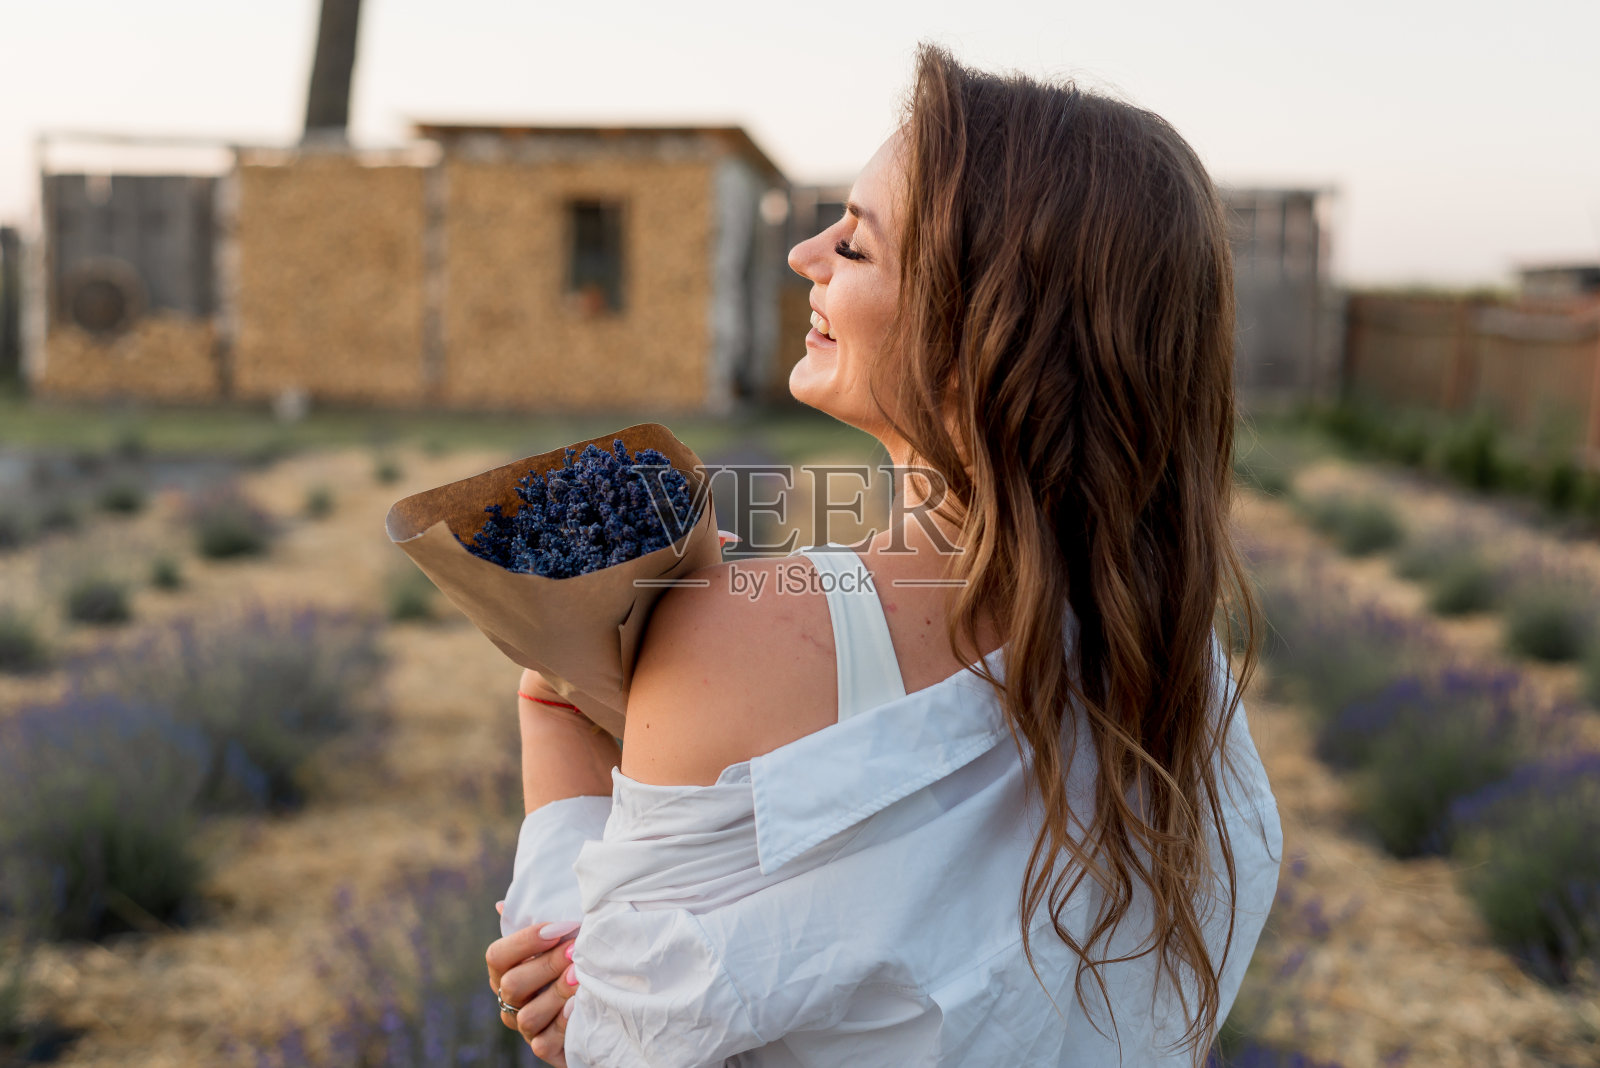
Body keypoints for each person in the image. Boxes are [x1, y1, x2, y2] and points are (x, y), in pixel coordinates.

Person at [485, 41, 1282, 1068]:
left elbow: (612, 1032)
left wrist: (552, 715)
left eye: (854, 248)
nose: (804, 255)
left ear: (982, 338)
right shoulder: (1179, 670)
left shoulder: (740, 627)